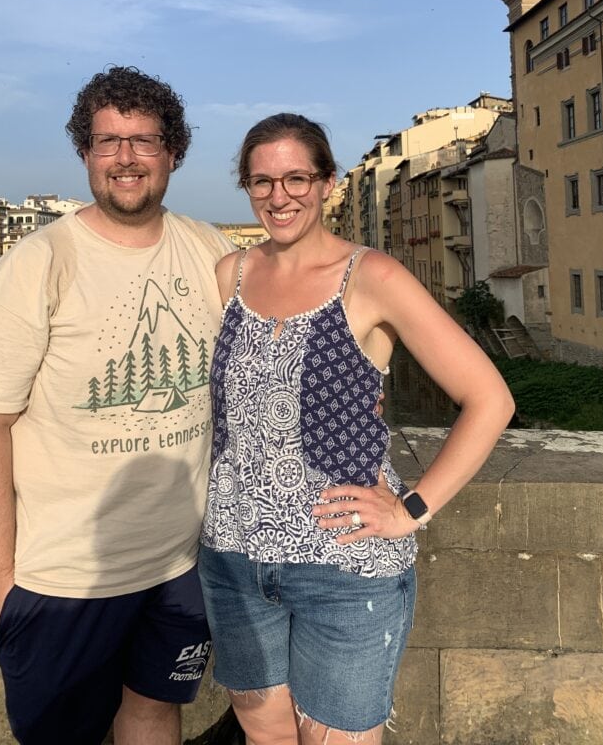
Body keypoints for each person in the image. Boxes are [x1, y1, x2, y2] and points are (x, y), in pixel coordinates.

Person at [0, 66, 233, 745]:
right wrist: (2, 588)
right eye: (107, 142)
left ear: (174, 152)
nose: (125, 159)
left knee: (156, 713)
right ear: (86, 154)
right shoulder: (37, 265)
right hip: (65, 577)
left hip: (179, 566)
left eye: (143, 141)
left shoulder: (208, 248)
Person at [197, 114, 516, 745]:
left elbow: (489, 399)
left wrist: (412, 508)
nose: (279, 196)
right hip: (232, 559)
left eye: (296, 178)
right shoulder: (227, 275)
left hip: (342, 566)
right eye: (261, 182)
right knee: (266, 737)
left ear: (327, 183)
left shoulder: (372, 278)